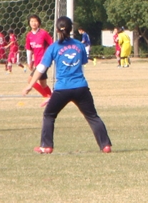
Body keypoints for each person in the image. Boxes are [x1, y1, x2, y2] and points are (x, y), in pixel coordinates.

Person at [22, 16, 112, 154]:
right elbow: (82, 63)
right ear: (71, 29)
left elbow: (41, 68)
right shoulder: (79, 45)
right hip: (81, 87)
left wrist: (30, 85)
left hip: (62, 89)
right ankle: (105, 145)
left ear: (57, 30)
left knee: (49, 115)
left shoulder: (53, 47)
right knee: (92, 116)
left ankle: (46, 146)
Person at [25, 15, 53, 105]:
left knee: (30, 80)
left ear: (39, 22)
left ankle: (47, 97)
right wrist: (29, 62)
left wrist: (50, 56)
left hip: (44, 61)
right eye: (32, 21)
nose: (34, 23)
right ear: (29, 23)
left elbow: (52, 44)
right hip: (37, 62)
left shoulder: (43, 33)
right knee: (43, 83)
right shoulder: (29, 35)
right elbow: (29, 50)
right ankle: (51, 98)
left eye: (35, 21)